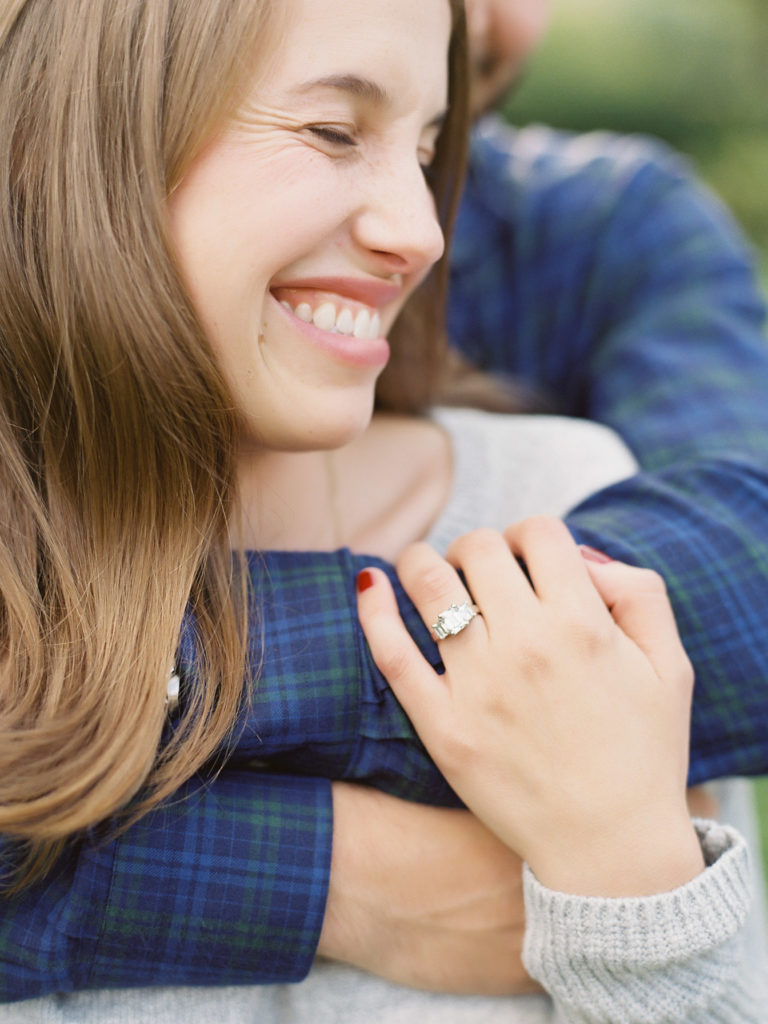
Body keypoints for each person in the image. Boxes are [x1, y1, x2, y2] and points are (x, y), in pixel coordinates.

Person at [2, 0, 768, 1014]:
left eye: (431, 150)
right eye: (332, 131)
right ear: (79, 135)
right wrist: (342, 876)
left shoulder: (555, 492)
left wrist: (633, 894)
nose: (421, 232)